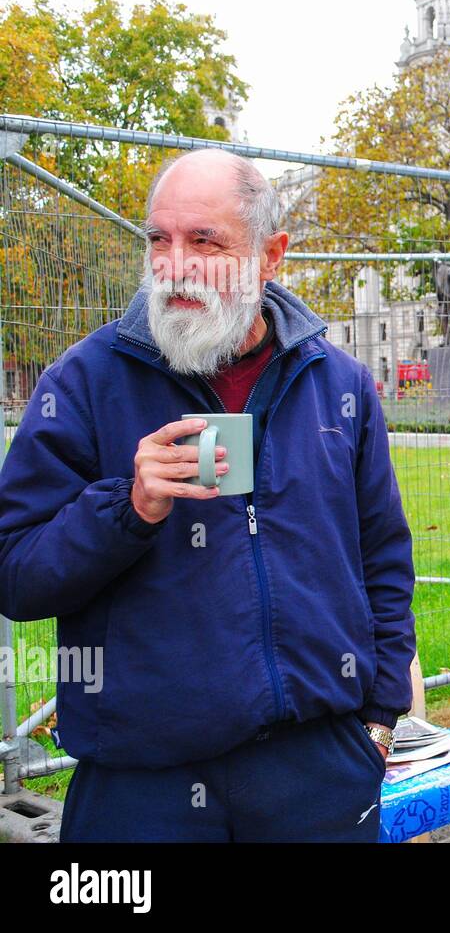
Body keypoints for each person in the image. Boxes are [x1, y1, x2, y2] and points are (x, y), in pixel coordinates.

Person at [0, 149, 416, 841]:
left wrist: (377, 720)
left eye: (205, 241)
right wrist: (126, 509)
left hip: (317, 773)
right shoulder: (85, 381)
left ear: (271, 255)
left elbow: (385, 561)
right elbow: (15, 576)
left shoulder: (337, 384)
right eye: (158, 240)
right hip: (141, 788)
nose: (176, 265)